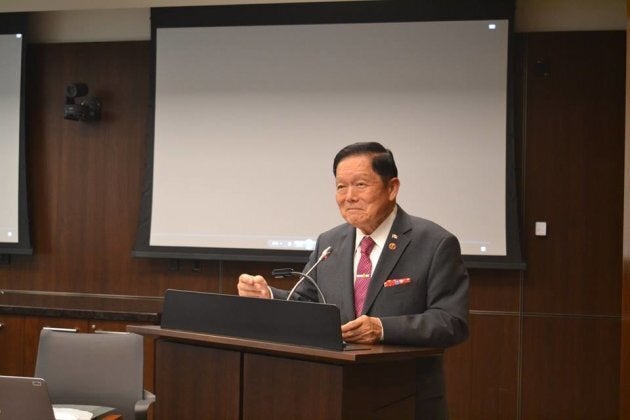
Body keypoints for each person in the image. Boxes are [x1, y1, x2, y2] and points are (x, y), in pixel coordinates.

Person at [238, 141, 469, 419]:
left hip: (406, 397)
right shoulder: (330, 242)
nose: (349, 196)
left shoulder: (434, 243)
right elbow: (309, 303)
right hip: (333, 394)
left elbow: (451, 321)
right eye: (340, 187)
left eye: (360, 185)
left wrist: (382, 328)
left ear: (392, 188)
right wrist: (269, 296)